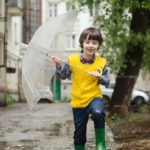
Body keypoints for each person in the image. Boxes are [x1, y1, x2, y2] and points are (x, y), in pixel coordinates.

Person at [51, 27, 110, 150]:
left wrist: (100, 77)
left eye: (94, 43)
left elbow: (107, 81)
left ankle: (101, 146)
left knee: (98, 113)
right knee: (79, 135)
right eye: (87, 42)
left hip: (95, 98)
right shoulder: (72, 60)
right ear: (82, 43)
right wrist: (58, 65)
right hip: (78, 101)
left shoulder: (101, 62)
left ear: (98, 46)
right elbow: (62, 76)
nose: (90, 45)